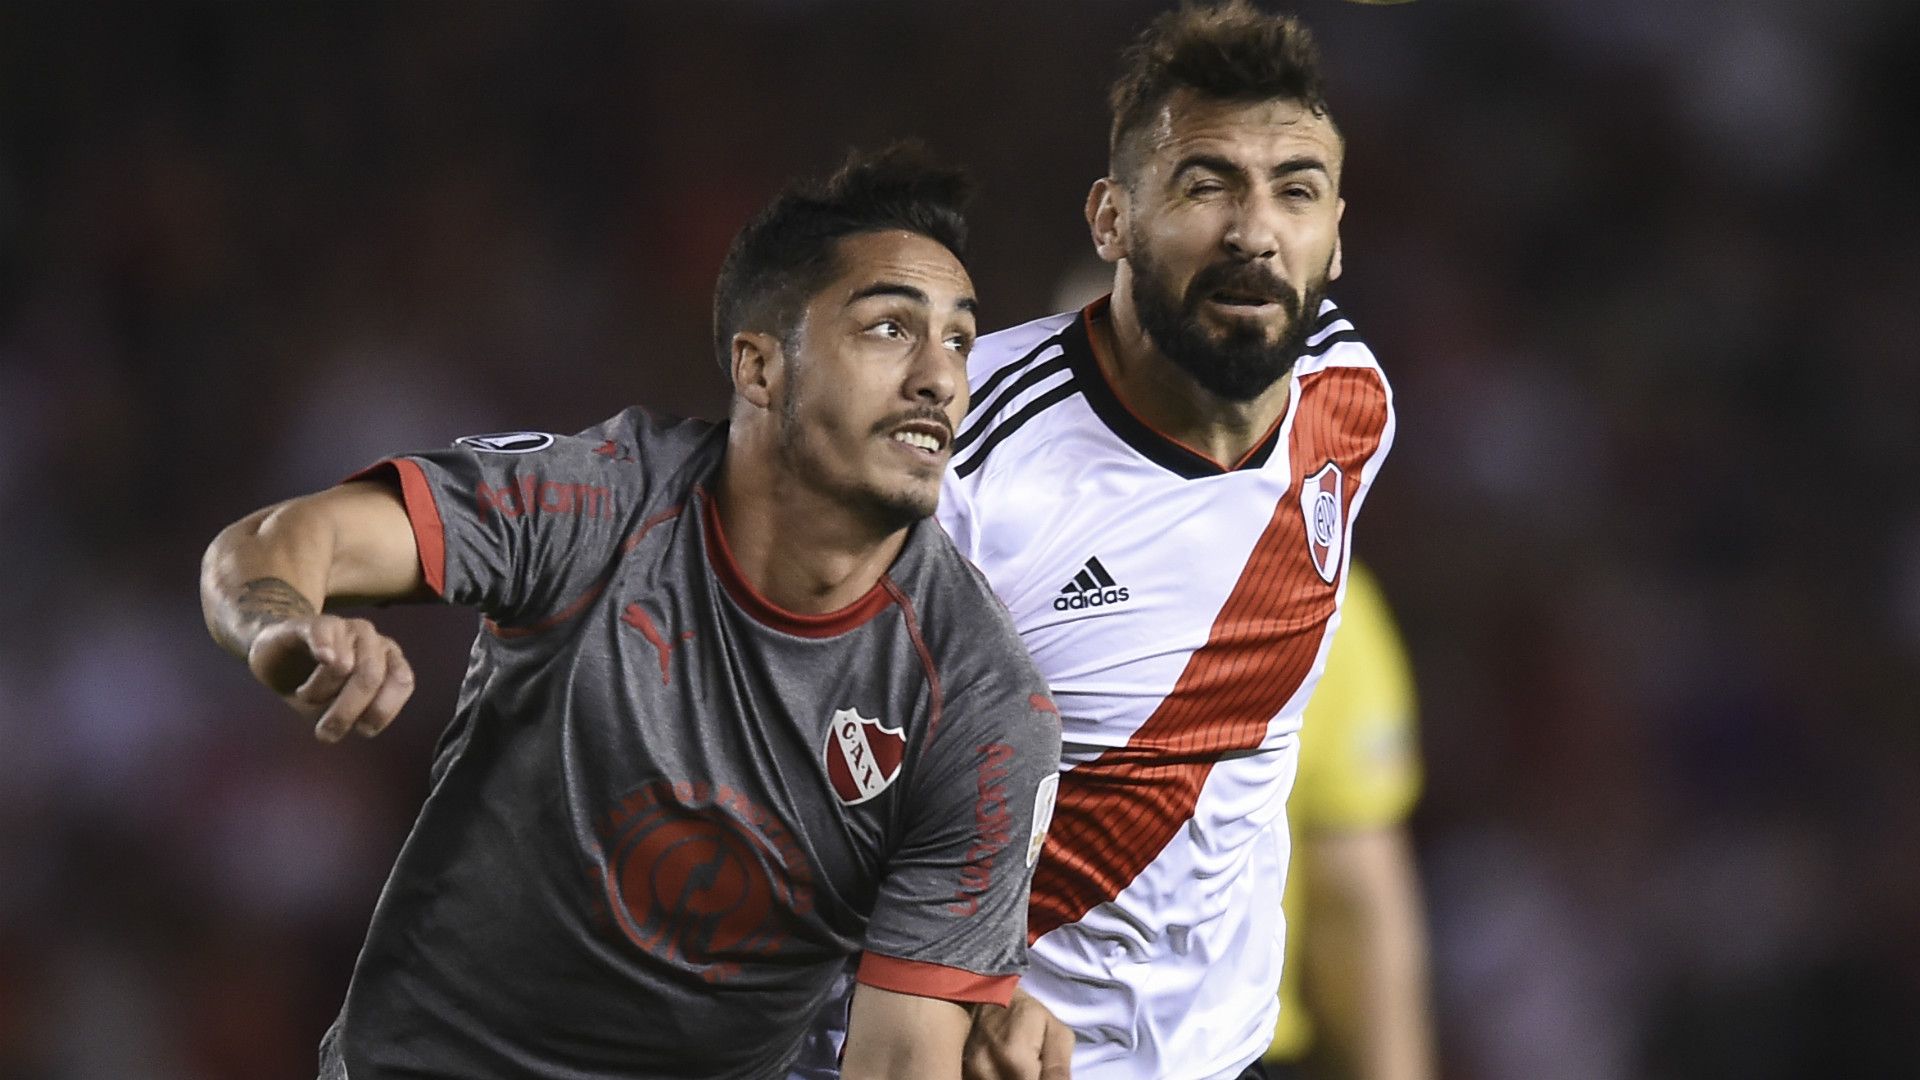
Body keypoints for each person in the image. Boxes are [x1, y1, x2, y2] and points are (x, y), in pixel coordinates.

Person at [199, 147, 1062, 1080]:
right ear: (761, 367)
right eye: (891, 329)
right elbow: (275, 542)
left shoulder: (979, 706)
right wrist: (284, 629)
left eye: (961, 340)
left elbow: (903, 1065)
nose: (939, 377)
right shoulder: (601, 505)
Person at [938, 4, 1396, 1078]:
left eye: (1295, 190)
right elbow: (790, 780)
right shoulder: (957, 458)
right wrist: (955, 986)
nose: (1254, 231)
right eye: (1205, 184)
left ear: (1337, 231)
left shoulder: (1351, 402)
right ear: (1110, 220)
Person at [1260, 562, 1435, 1080]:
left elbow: (1355, 902)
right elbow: (1354, 903)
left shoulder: (1327, 592)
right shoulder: (1321, 583)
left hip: (1239, 1052)